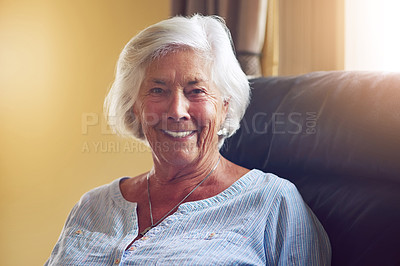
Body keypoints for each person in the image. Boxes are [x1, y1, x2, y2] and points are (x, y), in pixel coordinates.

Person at [46, 15, 331, 265]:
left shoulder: (273, 202)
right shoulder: (91, 206)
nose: (176, 111)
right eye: (158, 90)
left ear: (225, 106)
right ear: (135, 106)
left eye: (196, 91)